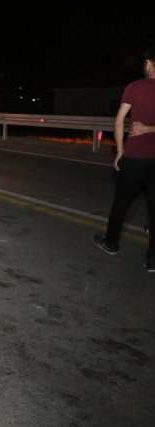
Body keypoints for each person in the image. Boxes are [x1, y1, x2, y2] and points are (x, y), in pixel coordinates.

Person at [93, 46, 155, 273]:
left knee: (122, 202)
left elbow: (119, 121)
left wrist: (119, 150)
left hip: (136, 156)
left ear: (149, 62)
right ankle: (152, 260)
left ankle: (110, 242)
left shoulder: (135, 87)